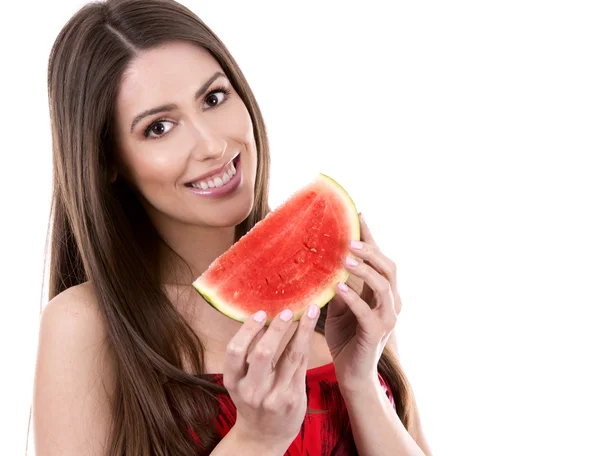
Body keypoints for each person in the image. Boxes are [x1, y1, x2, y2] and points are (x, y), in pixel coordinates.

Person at [31, 0, 433, 454]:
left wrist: (361, 381)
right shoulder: (84, 325)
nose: (212, 144)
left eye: (214, 98)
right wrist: (256, 438)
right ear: (108, 162)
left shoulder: (339, 287)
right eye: (159, 127)